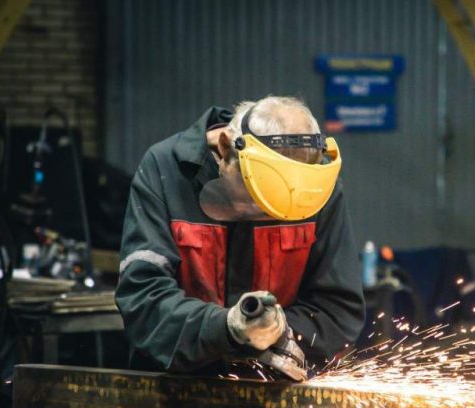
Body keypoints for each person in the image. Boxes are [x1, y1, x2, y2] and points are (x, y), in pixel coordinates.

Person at [116, 96, 364, 380]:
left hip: (282, 396)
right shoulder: (164, 169)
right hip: (176, 389)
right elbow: (143, 299)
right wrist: (225, 328)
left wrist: (280, 331)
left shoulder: (314, 187)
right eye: (254, 199)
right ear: (225, 149)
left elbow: (338, 309)